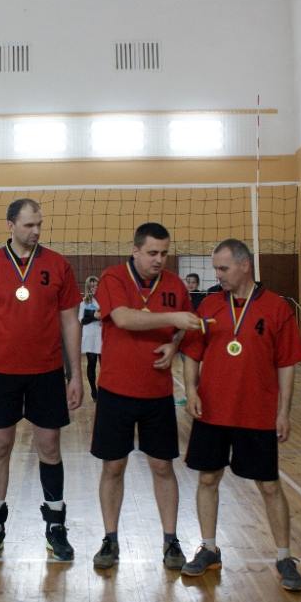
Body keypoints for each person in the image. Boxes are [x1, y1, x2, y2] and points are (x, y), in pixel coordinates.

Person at [180, 238, 301, 591]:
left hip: (258, 414)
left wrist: (284, 412)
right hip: (212, 412)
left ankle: (284, 556)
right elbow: (192, 353)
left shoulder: (276, 307)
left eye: (223, 268)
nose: (217, 275)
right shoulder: (209, 305)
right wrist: (191, 390)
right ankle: (208, 549)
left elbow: (287, 364)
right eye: (215, 268)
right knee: (208, 479)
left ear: (245, 265)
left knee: (269, 485)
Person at [0, 198, 83, 561]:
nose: (36, 231)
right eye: (29, 224)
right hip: (0, 374)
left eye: (39, 224)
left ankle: (55, 526)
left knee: (49, 446)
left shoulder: (58, 265)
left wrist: (75, 374)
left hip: (46, 373)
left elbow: (70, 321)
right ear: (11, 225)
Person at [91, 223, 200, 569]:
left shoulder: (175, 285)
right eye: (152, 253)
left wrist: (175, 343)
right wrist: (172, 318)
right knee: (113, 466)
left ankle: (171, 540)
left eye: (164, 253)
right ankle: (110, 539)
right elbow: (122, 318)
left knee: (162, 466)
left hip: (157, 393)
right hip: (116, 391)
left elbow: (184, 327)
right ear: (135, 250)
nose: (159, 259)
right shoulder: (113, 277)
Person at [79, 276, 102, 402]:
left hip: (103, 336)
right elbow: (82, 320)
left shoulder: (105, 300)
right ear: (88, 287)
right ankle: (94, 390)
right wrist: (94, 316)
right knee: (92, 364)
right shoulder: (84, 303)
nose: (95, 288)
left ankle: (104, 390)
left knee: (105, 365)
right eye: (92, 286)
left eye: (96, 285)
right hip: (90, 336)